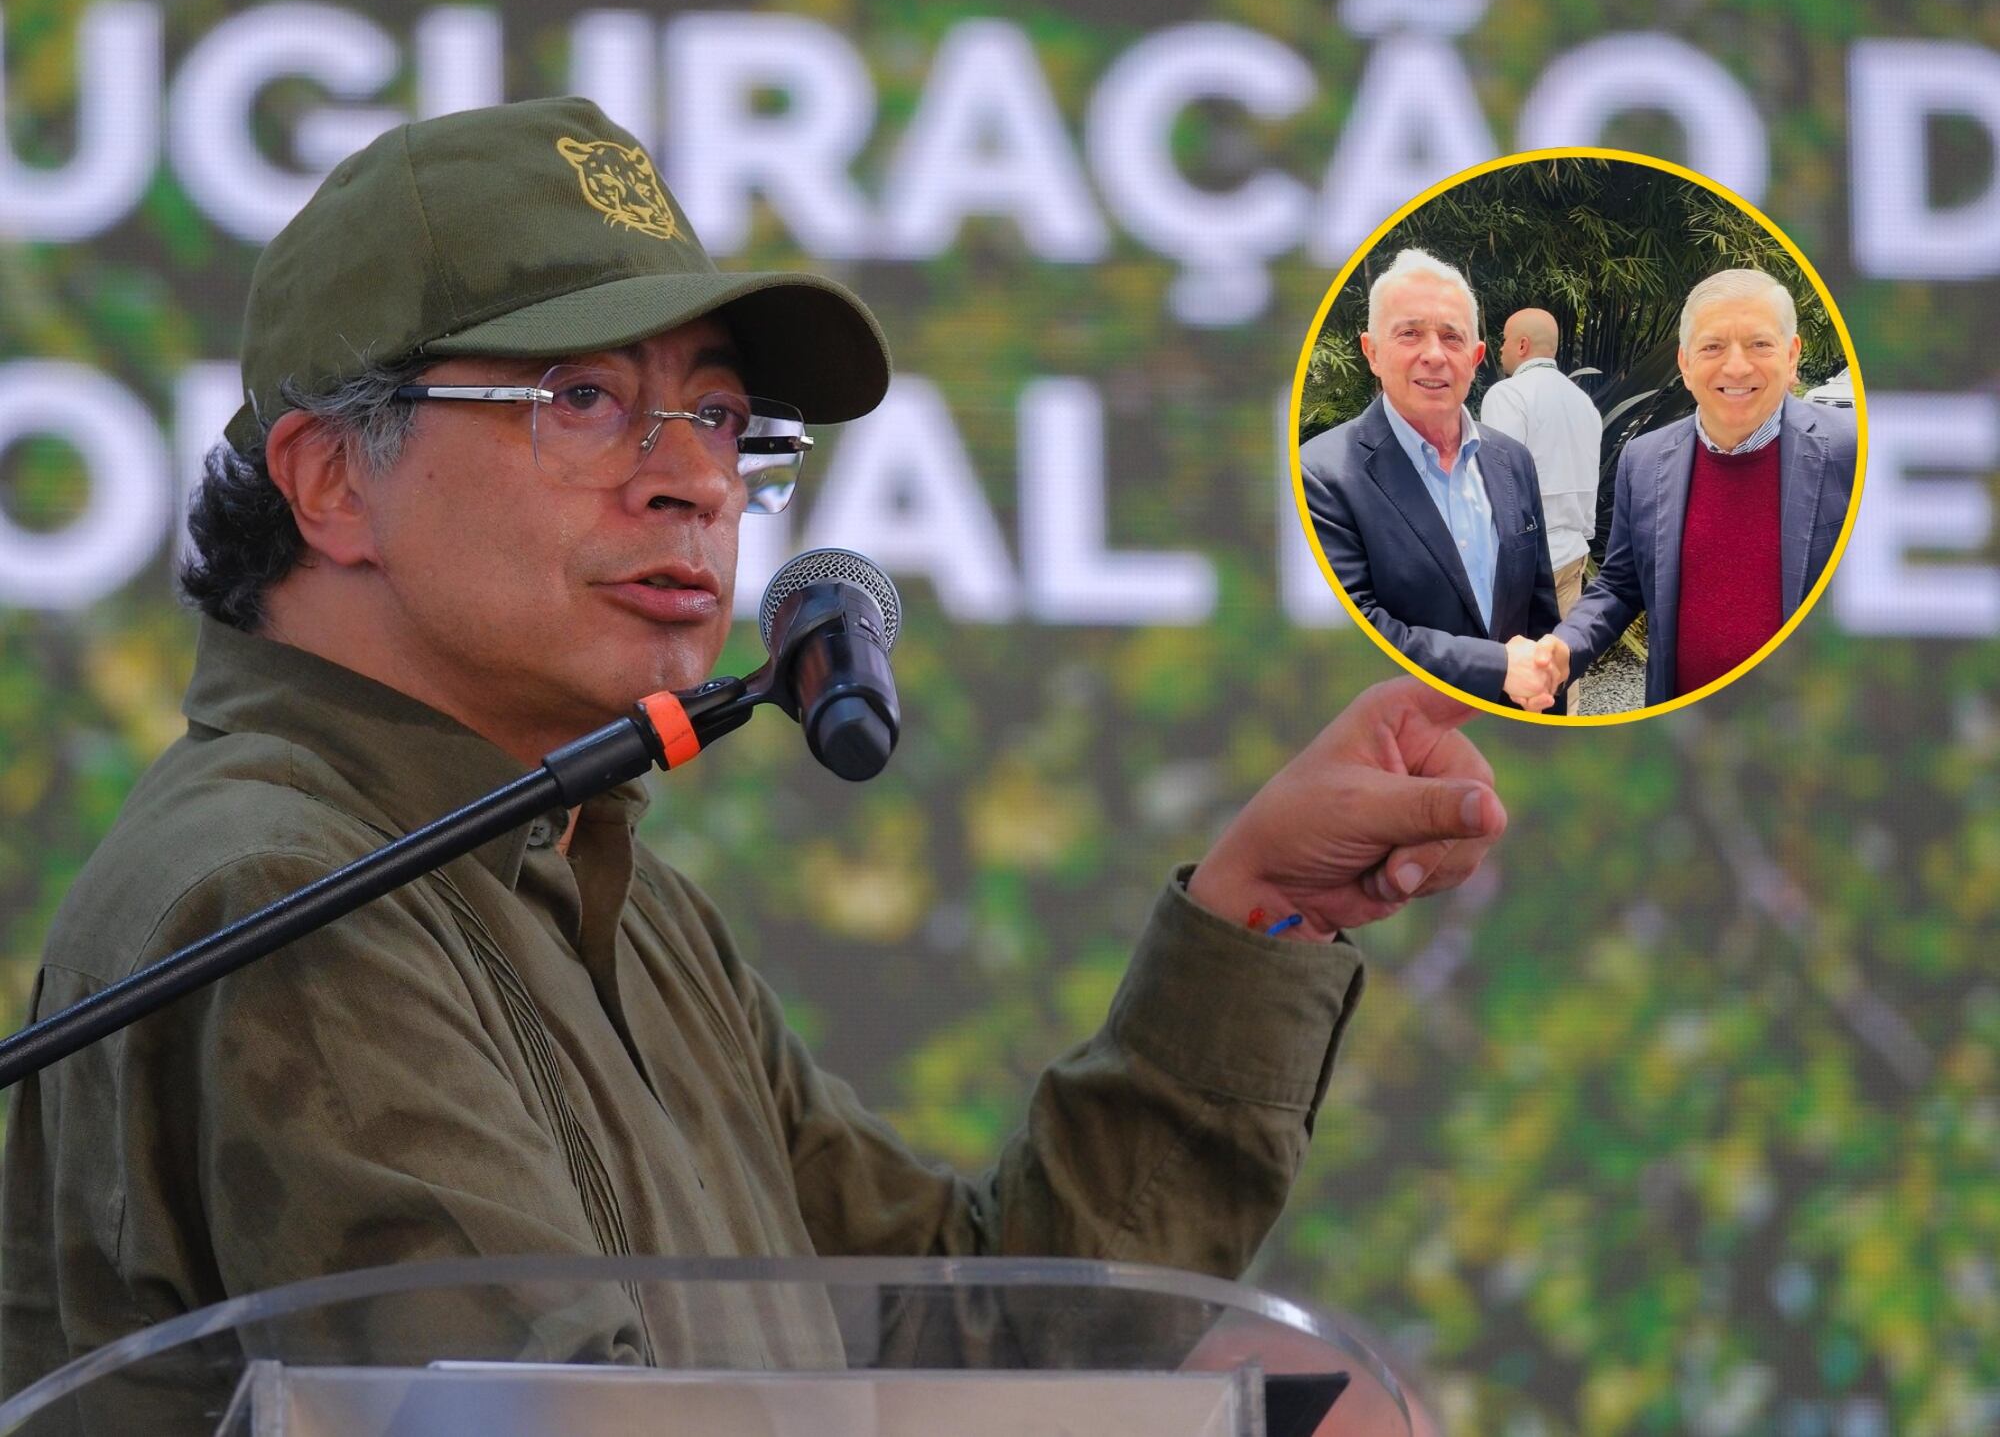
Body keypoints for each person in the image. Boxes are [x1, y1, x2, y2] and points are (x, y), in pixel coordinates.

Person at [0, 99, 1509, 1400]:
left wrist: (1254, 914)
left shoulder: (599, 884)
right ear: (331, 481)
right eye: (585, 398)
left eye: (723, 421)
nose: (693, 486)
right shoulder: (289, 896)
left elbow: (955, 1347)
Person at [1520, 268, 1858, 710]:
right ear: (1685, 362)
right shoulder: (1644, 460)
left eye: (1759, 344)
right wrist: (1564, 647)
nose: (1736, 366)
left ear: (1792, 356)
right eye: (1713, 346)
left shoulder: (1851, 453)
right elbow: (1620, 586)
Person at [1299, 248, 1562, 711]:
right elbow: (1356, 632)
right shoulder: (1321, 476)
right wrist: (1498, 666)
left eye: (1451, 337)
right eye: (1410, 334)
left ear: (1477, 356)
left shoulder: (1512, 460)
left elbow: (1539, 616)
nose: (1434, 355)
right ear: (1372, 352)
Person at [1478, 307, 1603, 714]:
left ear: (1522, 345)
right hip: (1573, 550)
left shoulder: (1507, 395)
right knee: (1564, 664)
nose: (1499, 350)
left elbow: (1499, 484)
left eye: (1502, 342)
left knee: (1517, 675)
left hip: (1525, 561)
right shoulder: (1584, 402)